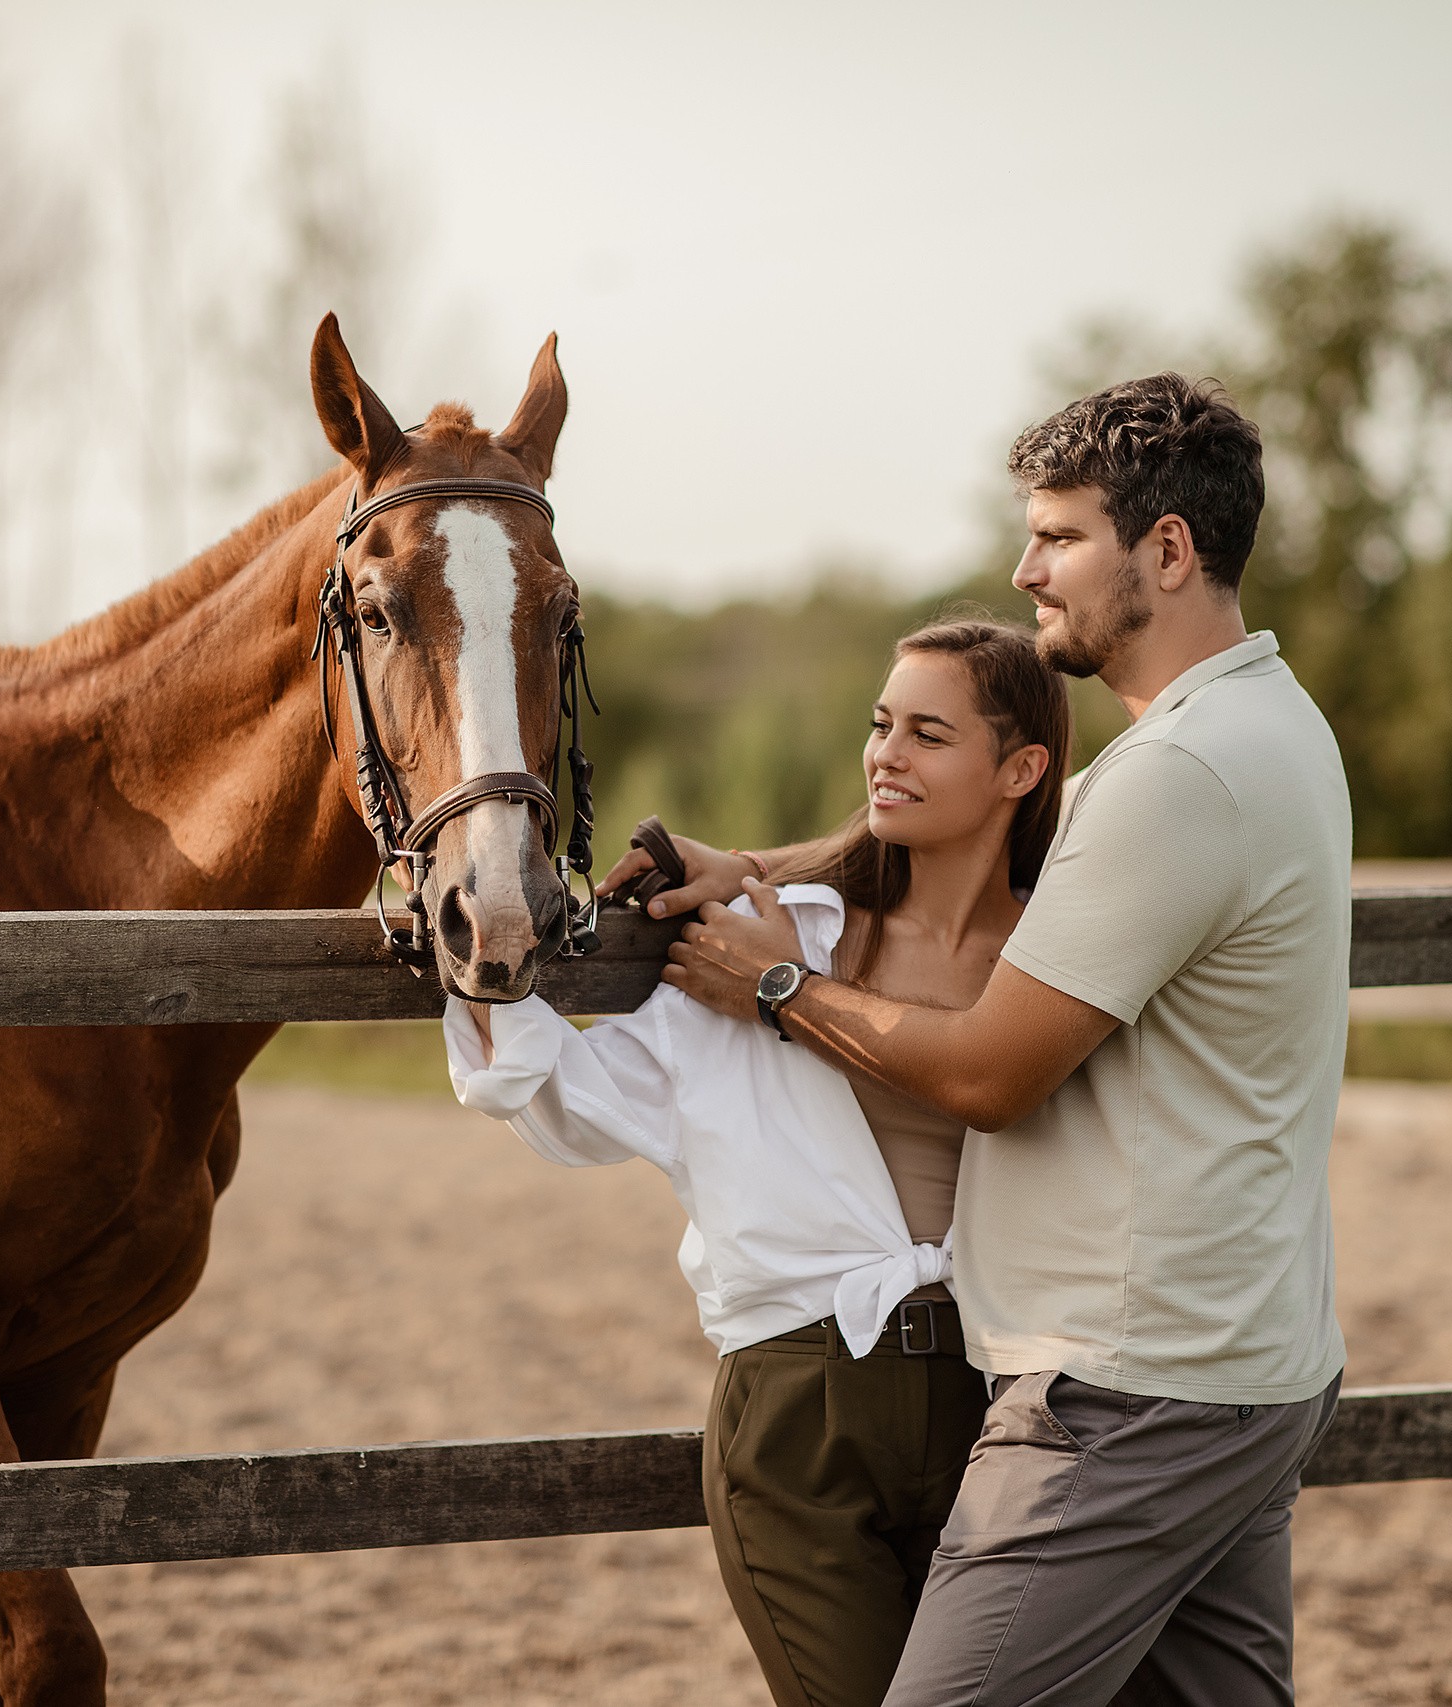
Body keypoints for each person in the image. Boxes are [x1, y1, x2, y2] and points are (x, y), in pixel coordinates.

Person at [624, 374, 1352, 1707]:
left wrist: (776, 984)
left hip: (1128, 1390)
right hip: (1253, 1363)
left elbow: (987, 1072)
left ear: (1167, 549)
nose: (1027, 572)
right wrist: (764, 866)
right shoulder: (1266, 728)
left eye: (1060, 537)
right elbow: (988, 834)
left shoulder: (1175, 775)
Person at [446, 620, 1071, 1707]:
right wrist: (476, 937)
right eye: (880, 724)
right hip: (799, 1415)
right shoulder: (772, 935)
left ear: (1021, 770)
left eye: (927, 734)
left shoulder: (1056, 961)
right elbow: (576, 1105)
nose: (885, 755)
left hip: (1004, 1409)